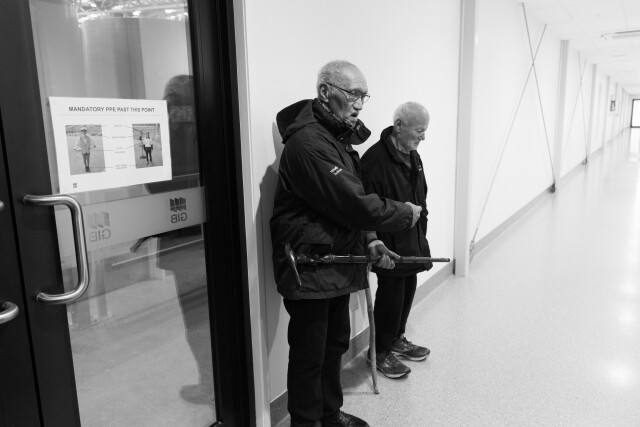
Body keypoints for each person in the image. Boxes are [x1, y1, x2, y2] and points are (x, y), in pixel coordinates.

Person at [270, 60, 423, 427]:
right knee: (310, 354)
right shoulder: (308, 143)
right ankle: (306, 422)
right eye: (353, 94)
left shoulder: (335, 138)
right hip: (309, 267)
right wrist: (404, 213)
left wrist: (370, 241)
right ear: (325, 92)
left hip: (335, 261)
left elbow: (342, 205)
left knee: (335, 344)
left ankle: (328, 414)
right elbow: (353, 203)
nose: (359, 104)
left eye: (363, 96)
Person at [361, 102, 433, 379]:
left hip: (411, 238)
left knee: (409, 284)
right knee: (391, 294)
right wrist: (373, 242)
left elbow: (420, 194)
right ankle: (379, 351)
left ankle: (396, 338)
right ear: (399, 126)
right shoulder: (375, 161)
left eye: (425, 130)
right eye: (419, 130)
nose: (423, 136)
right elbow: (366, 207)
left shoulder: (413, 155)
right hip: (388, 242)